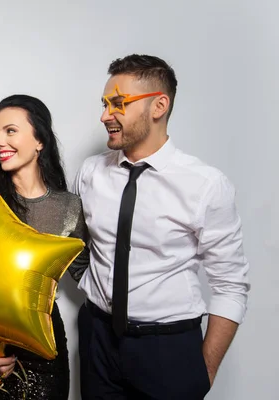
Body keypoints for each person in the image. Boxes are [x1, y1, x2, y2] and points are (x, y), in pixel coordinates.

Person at [73, 54, 250, 399]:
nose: (105, 115)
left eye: (118, 103)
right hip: (97, 338)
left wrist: (205, 372)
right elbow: (75, 245)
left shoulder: (205, 185)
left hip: (167, 348)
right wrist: (87, 285)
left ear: (158, 106)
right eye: (105, 103)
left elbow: (231, 285)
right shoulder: (90, 173)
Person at [0, 94, 90, 399]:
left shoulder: (68, 206)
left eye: (10, 131)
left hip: (44, 343)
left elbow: (84, 273)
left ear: (39, 140)